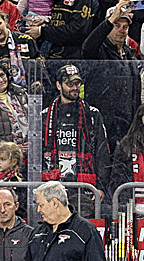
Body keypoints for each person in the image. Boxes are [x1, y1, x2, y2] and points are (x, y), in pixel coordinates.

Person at [23, 180, 108, 261]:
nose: (38, 210)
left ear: (55, 203)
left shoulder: (84, 231)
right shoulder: (37, 234)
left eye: (41, 205)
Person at [40, 64, 111, 200]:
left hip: (85, 188)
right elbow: (38, 153)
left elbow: (102, 152)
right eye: (70, 84)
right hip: (53, 187)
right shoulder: (45, 116)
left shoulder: (92, 114)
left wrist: (101, 186)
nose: (74, 88)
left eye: (77, 83)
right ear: (59, 85)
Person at [81, 2, 144, 147]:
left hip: (126, 124)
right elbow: (88, 47)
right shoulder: (98, 51)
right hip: (101, 122)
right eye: (117, 25)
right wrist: (110, 20)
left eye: (125, 27)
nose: (122, 30)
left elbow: (135, 92)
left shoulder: (130, 55)